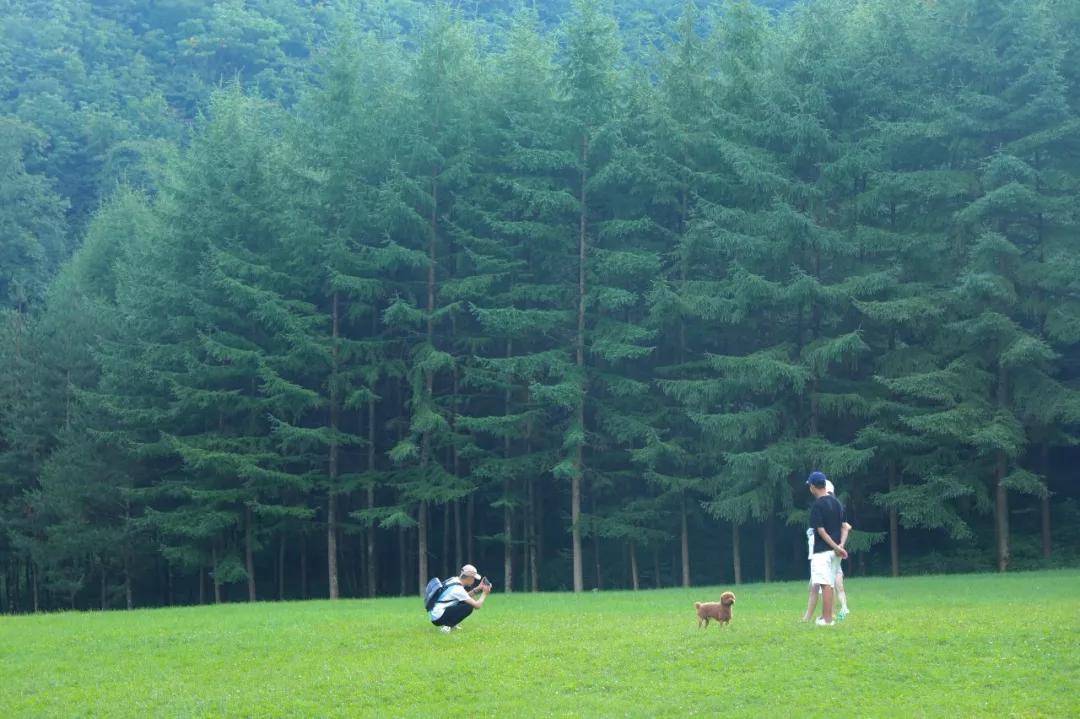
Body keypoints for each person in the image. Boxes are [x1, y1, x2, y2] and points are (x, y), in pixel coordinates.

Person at [802, 479, 852, 622]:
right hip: (835, 553)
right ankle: (826, 617)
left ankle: (827, 620)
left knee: (825, 585)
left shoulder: (817, 505)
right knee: (829, 584)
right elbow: (845, 526)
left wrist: (836, 547)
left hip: (823, 551)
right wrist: (840, 545)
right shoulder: (838, 503)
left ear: (812, 487)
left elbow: (821, 531)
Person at [429, 564, 491, 633]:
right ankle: (447, 626)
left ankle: (450, 624)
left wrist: (478, 588)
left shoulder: (454, 580)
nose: (474, 580)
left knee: (465, 602)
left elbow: (464, 596)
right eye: (473, 578)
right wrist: (484, 593)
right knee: (469, 607)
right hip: (438, 617)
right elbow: (477, 606)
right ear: (469, 578)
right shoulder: (458, 589)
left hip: (435, 613)